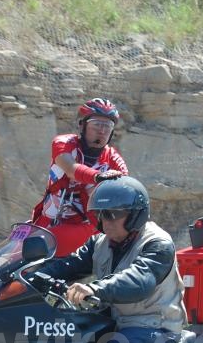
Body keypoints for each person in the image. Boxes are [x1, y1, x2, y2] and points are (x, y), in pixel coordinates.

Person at [36, 176, 187, 343]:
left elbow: (139, 279)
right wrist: (28, 275)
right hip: (117, 321)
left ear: (135, 215)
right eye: (101, 214)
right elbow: (66, 265)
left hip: (155, 327)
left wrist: (95, 289)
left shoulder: (157, 243)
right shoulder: (100, 243)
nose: (106, 221)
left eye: (114, 214)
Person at [31, 98, 129, 257]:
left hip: (84, 229)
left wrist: (115, 183)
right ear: (82, 125)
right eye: (97, 124)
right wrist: (98, 177)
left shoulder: (113, 157)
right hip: (47, 222)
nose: (102, 131)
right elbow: (70, 168)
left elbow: (125, 185)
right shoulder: (64, 142)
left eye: (108, 126)